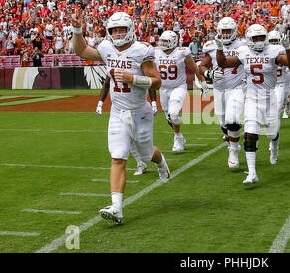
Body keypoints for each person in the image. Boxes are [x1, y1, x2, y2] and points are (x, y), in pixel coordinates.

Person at [71, 11, 170, 224]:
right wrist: (78, 30)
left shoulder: (141, 50)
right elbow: (81, 50)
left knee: (145, 155)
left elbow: (157, 82)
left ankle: (161, 163)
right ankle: (116, 208)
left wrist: (133, 78)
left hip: (140, 112)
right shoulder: (107, 48)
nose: (117, 33)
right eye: (114, 30)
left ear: (130, 30)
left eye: (121, 29)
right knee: (118, 156)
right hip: (117, 112)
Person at [216, 24, 290, 185]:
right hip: (251, 98)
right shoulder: (244, 52)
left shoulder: (274, 51)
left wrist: (288, 48)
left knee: (272, 133)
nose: (259, 41)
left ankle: (274, 147)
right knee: (250, 135)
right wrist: (219, 48)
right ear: (249, 40)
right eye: (255, 38)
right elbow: (224, 63)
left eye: (261, 37)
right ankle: (252, 173)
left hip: (269, 97)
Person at [199, 17, 246, 169]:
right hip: (219, 89)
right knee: (224, 124)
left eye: (228, 31)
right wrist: (208, 74)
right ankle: (232, 142)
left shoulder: (244, 45)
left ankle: (233, 151)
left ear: (234, 31)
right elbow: (203, 66)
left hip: (237, 87)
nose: (225, 34)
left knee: (233, 119)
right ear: (218, 31)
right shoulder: (211, 46)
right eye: (223, 31)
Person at [153, 30, 209, 152]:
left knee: (173, 114)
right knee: (169, 117)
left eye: (165, 41)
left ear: (173, 42)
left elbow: (195, 69)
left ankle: (177, 138)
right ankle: (179, 136)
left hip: (178, 87)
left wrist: (203, 84)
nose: (162, 43)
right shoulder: (156, 53)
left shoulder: (181, 53)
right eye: (161, 40)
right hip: (163, 88)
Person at [95, 77, 160, 175]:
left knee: (143, 145)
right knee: (129, 140)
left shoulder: (137, 64)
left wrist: (154, 103)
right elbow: (107, 84)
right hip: (121, 111)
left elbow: (150, 83)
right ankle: (140, 163)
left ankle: (160, 163)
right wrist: (100, 104)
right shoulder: (113, 64)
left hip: (139, 109)